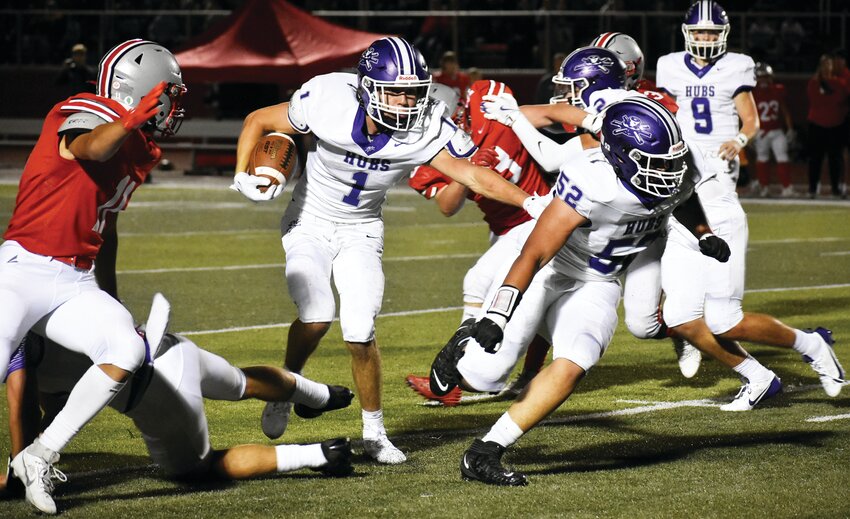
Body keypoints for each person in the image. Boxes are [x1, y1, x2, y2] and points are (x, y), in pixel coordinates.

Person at [229, 37, 547, 465]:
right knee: (317, 315)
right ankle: (290, 386)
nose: (405, 102)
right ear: (365, 86)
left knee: (360, 330)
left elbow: (474, 176)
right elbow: (256, 121)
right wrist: (244, 175)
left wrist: (529, 202)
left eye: (413, 92)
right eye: (394, 90)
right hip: (309, 220)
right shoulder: (328, 97)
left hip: (362, 229)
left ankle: (374, 432)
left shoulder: (426, 124)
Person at [455, 97, 722, 486]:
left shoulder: (671, 167)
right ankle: (460, 341)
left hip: (599, 281)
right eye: (656, 163)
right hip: (552, 271)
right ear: (620, 158)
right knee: (483, 375)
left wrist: (704, 233)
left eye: (670, 161)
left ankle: (484, 452)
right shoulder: (592, 182)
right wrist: (497, 315)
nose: (668, 170)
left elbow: (681, 195)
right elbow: (535, 254)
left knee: (576, 360)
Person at [0, 39, 186, 514]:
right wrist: (130, 118)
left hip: (76, 281)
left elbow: (109, 226)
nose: (173, 106)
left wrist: (113, 299)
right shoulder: (86, 107)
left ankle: (37, 457)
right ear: (139, 92)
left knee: (127, 348)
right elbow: (88, 146)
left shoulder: (141, 145)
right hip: (22, 266)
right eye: (168, 94)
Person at [655, 1, 844, 407]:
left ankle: (811, 345)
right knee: (679, 316)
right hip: (681, 201)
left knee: (724, 319)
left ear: (723, 35)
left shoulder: (736, 67)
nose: (705, 39)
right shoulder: (669, 66)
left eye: (711, 32)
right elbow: (667, 114)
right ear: (686, 33)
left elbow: (751, 120)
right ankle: (756, 376)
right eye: (699, 32)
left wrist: (739, 140)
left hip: (715, 193)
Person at [5, 294, 354, 508]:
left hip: (156, 396)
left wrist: (20, 465)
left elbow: (22, 397)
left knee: (197, 470)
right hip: (166, 345)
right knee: (241, 381)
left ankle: (321, 454)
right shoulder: (36, 282)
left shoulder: (13, 329)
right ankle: (322, 394)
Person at [405, 80, 554, 406]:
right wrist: (469, 170)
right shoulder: (429, 149)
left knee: (490, 286)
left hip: (542, 216)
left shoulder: (488, 104)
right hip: (506, 227)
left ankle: (463, 373)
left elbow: (538, 115)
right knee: (499, 289)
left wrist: (584, 121)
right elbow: (447, 205)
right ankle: (466, 371)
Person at [806, 53, 849, 199]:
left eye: (829, 64)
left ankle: (836, 189)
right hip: (817, 125)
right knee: (815, 159)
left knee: (835, 159)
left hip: (836, 125)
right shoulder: (813, 83)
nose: (826, 67)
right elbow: (816, 101)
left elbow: (841, 100)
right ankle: (813, 188)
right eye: (824, 64)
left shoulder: (840, 83)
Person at [751, 62, 795, 197]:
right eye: (761, 77)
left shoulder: (778, 90)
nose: (763, 80)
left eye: (765, 77)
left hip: (776, 131)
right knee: (762, 159)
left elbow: (785, 110)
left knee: (783, 158)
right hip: (761, 132)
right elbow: (748, 115)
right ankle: (764, 187)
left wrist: (790, 128)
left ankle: (787, 187)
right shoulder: (751, 93)